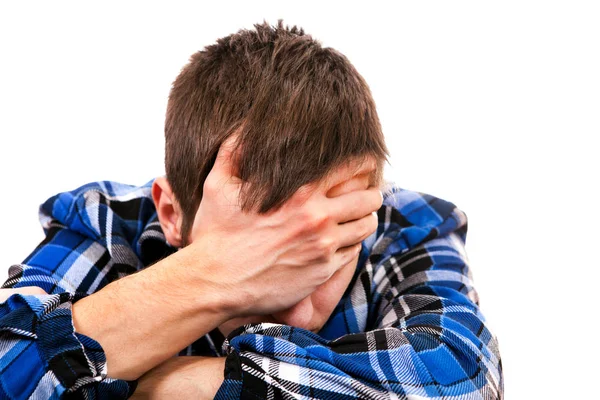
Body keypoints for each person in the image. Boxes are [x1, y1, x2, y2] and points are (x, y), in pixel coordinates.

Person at [0, 21, 503, 399]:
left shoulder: (401, 225)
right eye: (267, 244)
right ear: (171, 214)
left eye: (332, 243)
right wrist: (216, 277)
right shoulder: (109, 222)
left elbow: (467, 383)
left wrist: (178, 386)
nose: (298, 310)